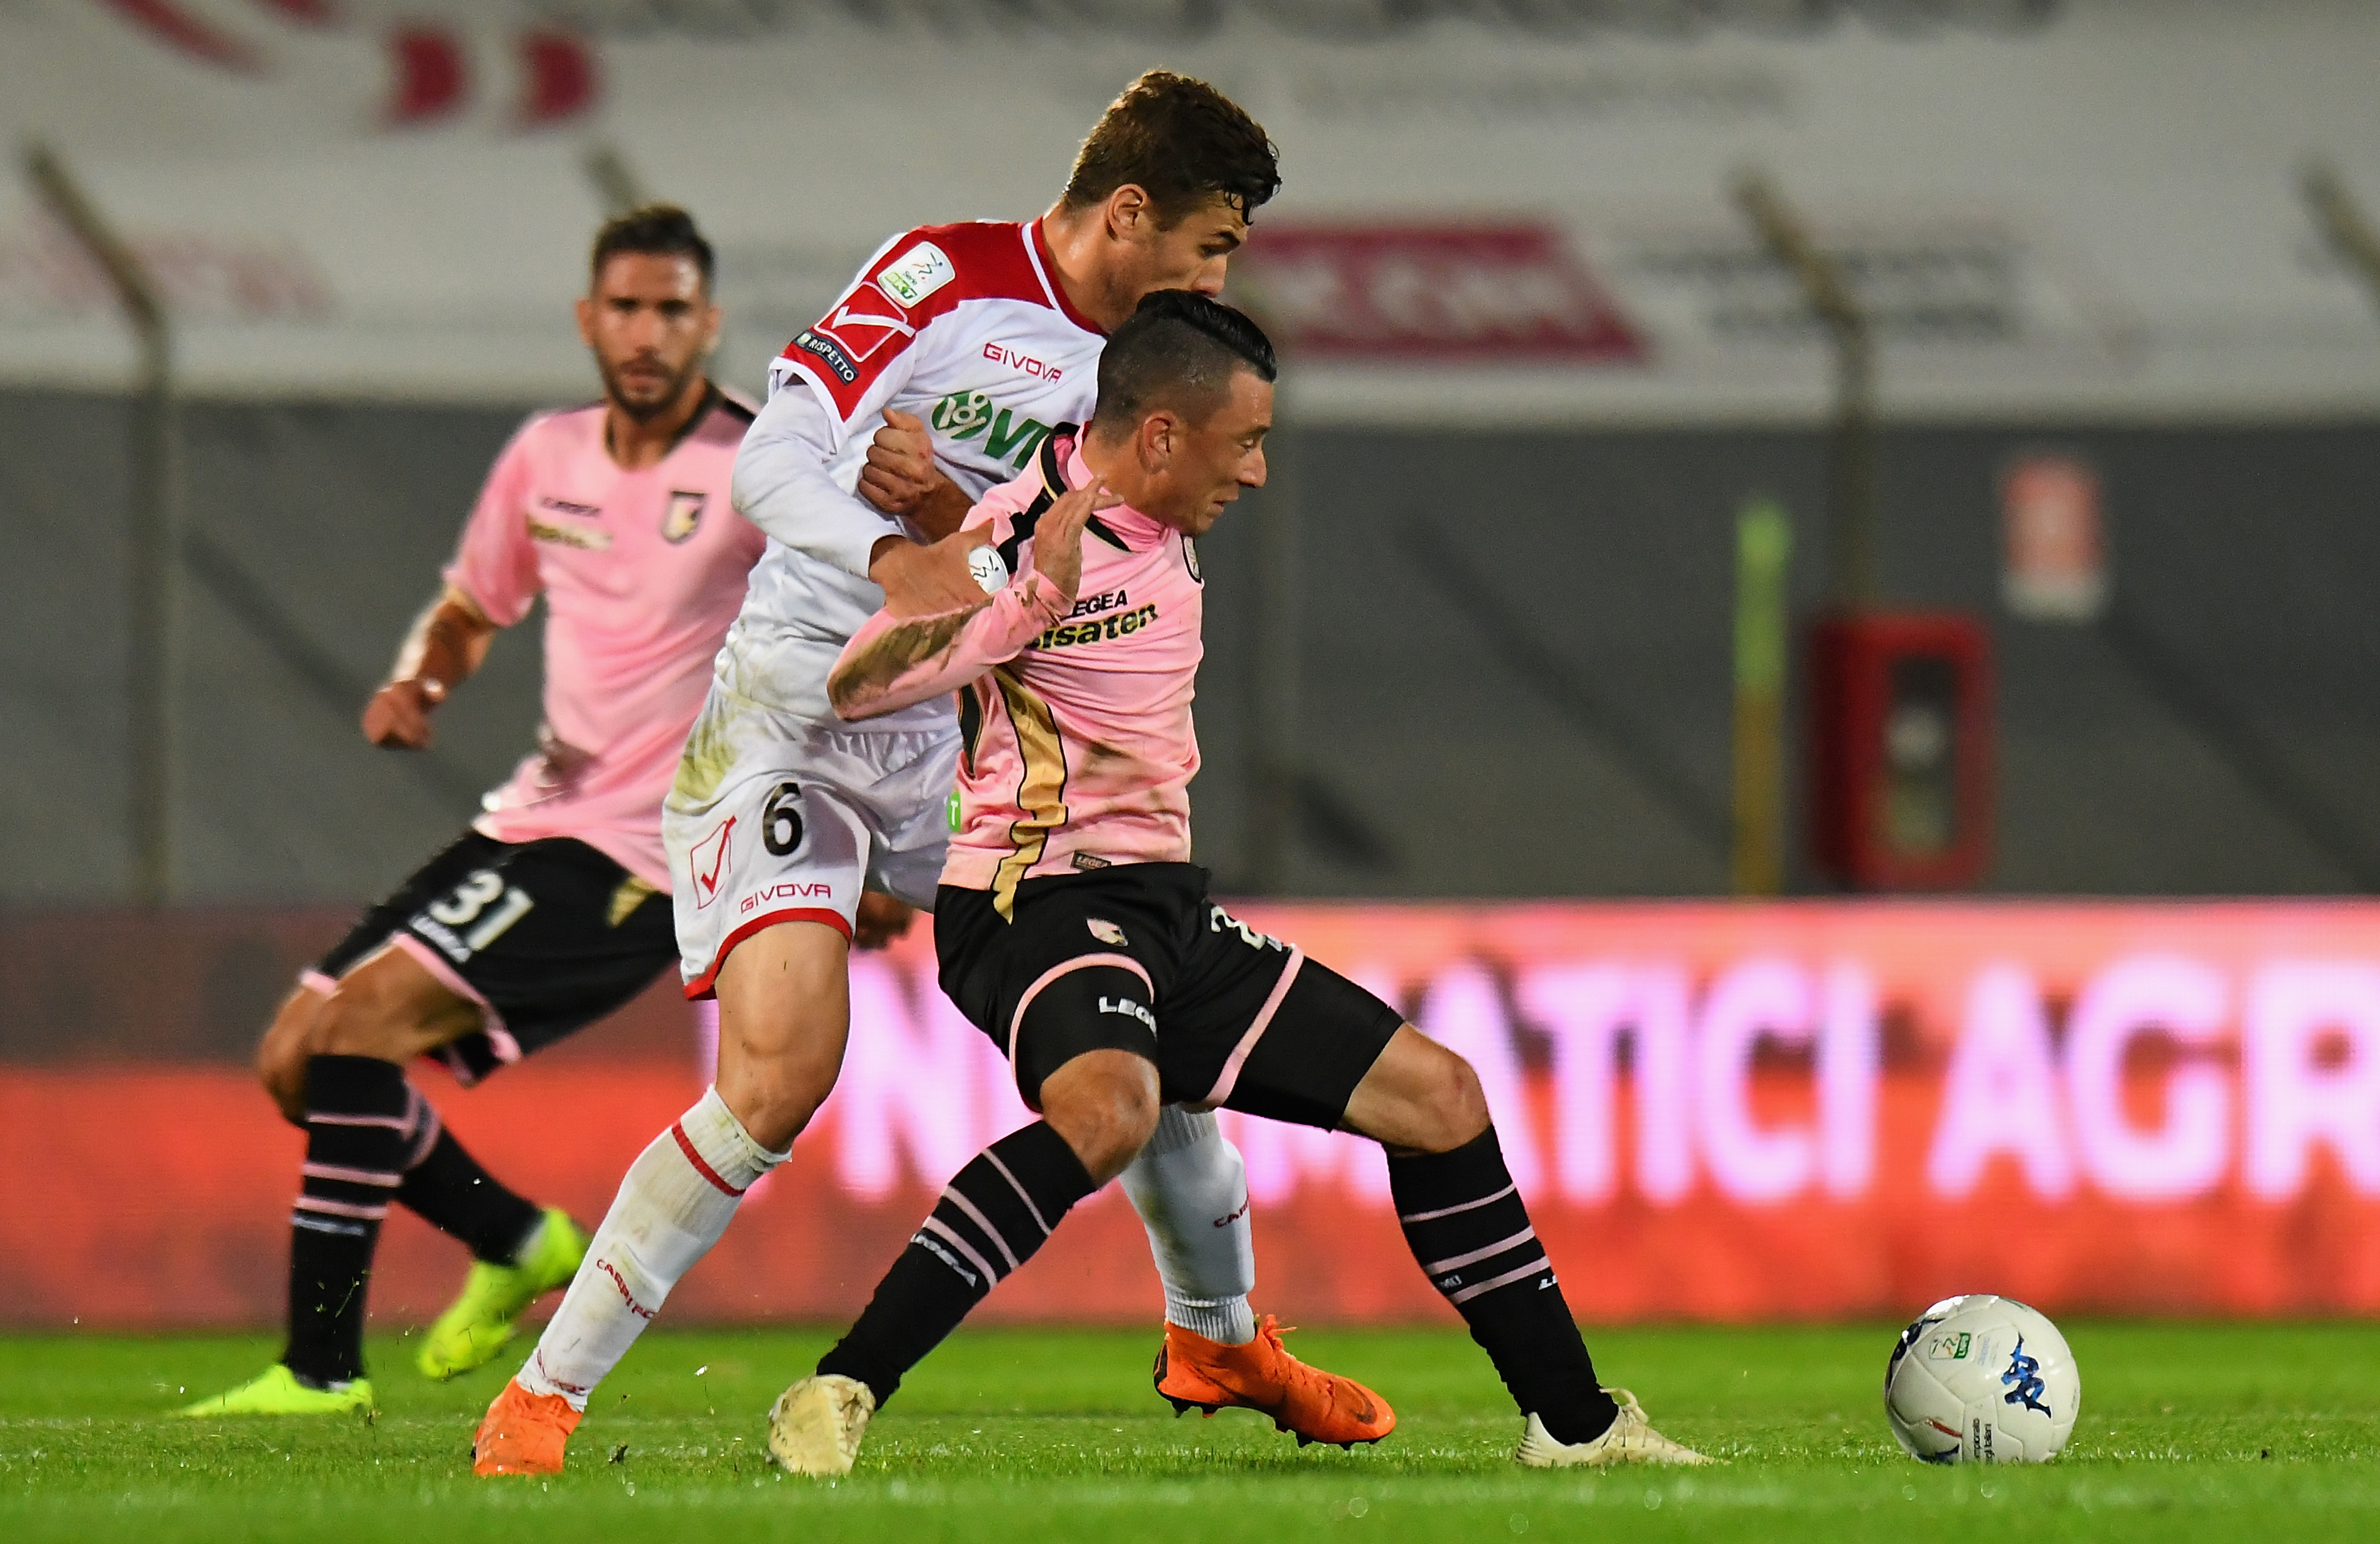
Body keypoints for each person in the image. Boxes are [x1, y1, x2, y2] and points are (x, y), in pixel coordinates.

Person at [473, 72, 1382, 1475]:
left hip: (972, 742)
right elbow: (772, 460)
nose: (1217, 278)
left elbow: (1061, 566)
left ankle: (1217, 1335)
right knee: (781, 1075)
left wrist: (948, 516)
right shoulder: (944, 280)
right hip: (799, 715)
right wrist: (889, 551)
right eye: (1209, 245)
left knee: (1146, 1024)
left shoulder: (1156, 381)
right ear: (1126, 213)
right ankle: (543, 1398)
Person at [765, 291, 1710, 1475]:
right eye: (1246, 441)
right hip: (1036, 898)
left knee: (1441, 1099)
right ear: (1163, 436)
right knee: (1109, 1112)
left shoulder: (1130, 497)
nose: (1258, 472)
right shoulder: (1027, 533)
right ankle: (840, 1387)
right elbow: (856, 681)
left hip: (1162, 908)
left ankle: (1576, 1428)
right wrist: (1023, 598)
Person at [178, 205, 808, 1416]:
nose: (647, 332)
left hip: (649, 850)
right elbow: (474, 604)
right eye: (625, 307)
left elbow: (838, 630)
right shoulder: (547, 456)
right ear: (588, 319)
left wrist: (841, 827)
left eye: (671, 309)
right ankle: (517, 1239)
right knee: (296, 1057)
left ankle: (320, 1371)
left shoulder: (755, 465)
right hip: (534, 816)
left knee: (357, 1032)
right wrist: (422, 680)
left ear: (709, 324)